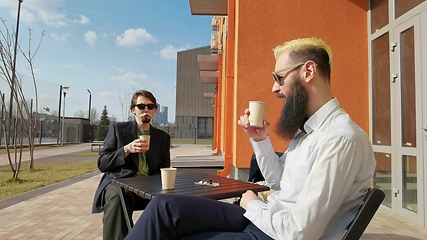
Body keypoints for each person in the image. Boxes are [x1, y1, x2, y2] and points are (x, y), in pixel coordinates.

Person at [124, 38, 376, 240]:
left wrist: (253, 203)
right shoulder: (309, 132)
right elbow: (279, 182)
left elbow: (299, 233)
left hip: (273, 232)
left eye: (279, 77)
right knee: (164, 207)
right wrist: (260, 140)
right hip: (265, 218)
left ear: (308, 71)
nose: (274, 88)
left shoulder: (339, 139)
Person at [92, 90, 171, 240]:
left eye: (150, 106)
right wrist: (126, 149)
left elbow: (164, 169)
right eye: (141, 106)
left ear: (155, 110)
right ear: (133, 110)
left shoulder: (162, 138)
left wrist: (148, 186)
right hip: (120, 182)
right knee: (117, 197)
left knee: (174, 200)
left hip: (148, 186)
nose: (145, 110)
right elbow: (102, 163)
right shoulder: (118, 129)